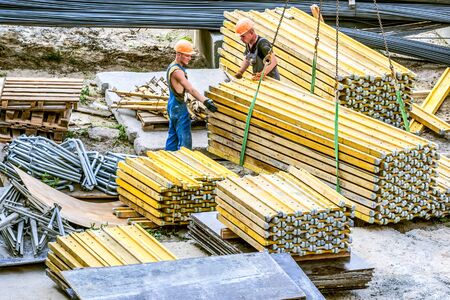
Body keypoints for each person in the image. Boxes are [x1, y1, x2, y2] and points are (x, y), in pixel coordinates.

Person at [165, 39, 218, 151]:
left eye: (190, 56)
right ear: (178, 55)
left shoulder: (172, 66)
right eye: (187, 56)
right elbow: (190, 89)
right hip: (178, 107)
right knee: (185, 141)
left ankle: (168, 159)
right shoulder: (177, 71)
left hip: (172, 104)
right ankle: (184, 163)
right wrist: (205, 101)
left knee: (173, 136)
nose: (190, 58)